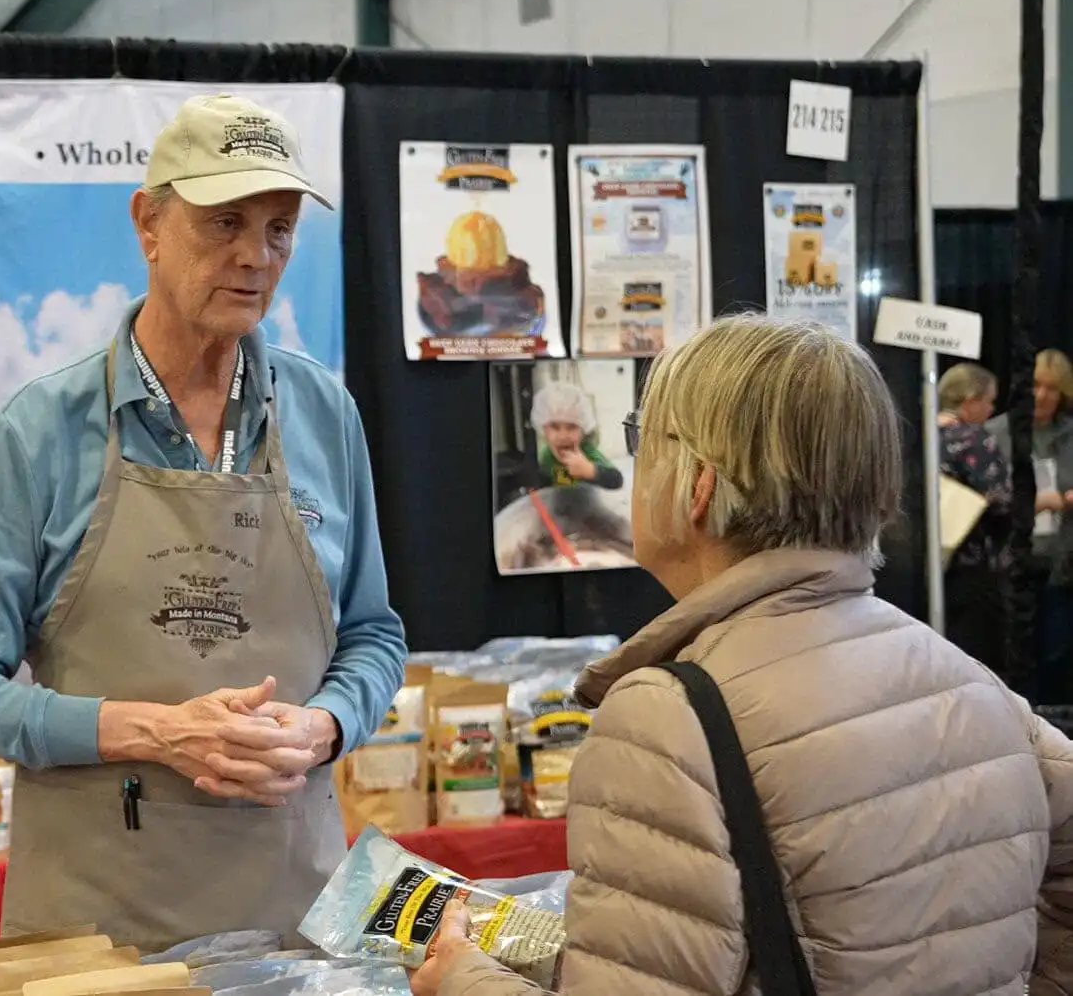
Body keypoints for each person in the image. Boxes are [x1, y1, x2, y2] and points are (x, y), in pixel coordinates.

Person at [410, 316, 1073, 995]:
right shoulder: (977, 685)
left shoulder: (667, 718)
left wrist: (460, 981)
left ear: (697, 484)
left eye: (640, 441)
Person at [0, 94, 406, 952]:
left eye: (279, 229)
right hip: (97, 939)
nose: (255, 256)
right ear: (149, 222)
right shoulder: (38, 433)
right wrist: (157, 732)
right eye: (224, 223)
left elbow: (372, 635)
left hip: (297, 923)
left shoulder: (325, 413)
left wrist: (324, 726)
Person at [988, 349, 1073, 704]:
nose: (1041, 396)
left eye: (1051, 389)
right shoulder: (996, 433)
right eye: (1036, 386)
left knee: (1055, 653)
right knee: (1010, 658)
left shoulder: (1070, 436)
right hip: (1010, 565)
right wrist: (1052, 501)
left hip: (1061, 564)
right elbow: (985, 499)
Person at [935, 362, 1014, 680]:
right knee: (978, 664)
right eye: (989, 401)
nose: (991, 409)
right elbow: (1001, 501)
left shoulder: (914, 433)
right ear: (970, 400)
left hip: (921, 567)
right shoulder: (974, 439)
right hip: (971, 565)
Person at [531, 381, 623, 490]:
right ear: (544, 431)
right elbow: (544, 487)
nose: (563, 435)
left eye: (572, 427)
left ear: (583, 430)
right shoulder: (547, 456)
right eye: (554, 427)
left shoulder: (587, 452)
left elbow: (616, 480)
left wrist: (590, 470)